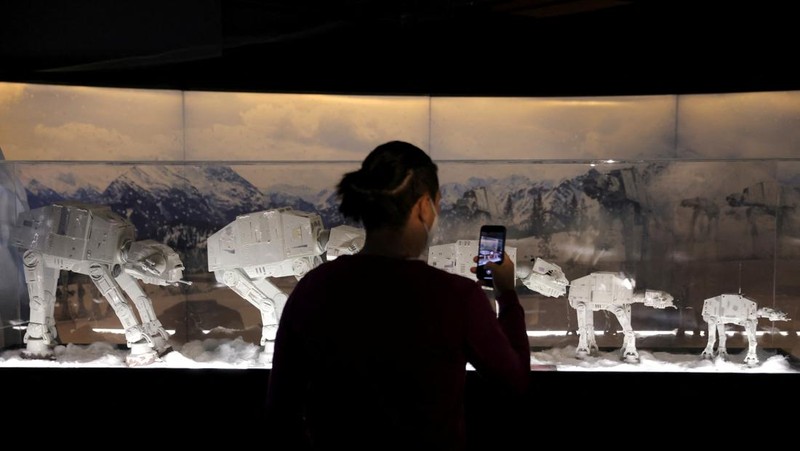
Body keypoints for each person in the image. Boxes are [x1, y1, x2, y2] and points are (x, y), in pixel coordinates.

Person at [264, 140, 530, 450]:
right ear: (422, 207)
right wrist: (507, 294)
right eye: (437, 204)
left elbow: (280, 411)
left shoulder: (312, 289)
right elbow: (515, 383)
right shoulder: (458, 297)